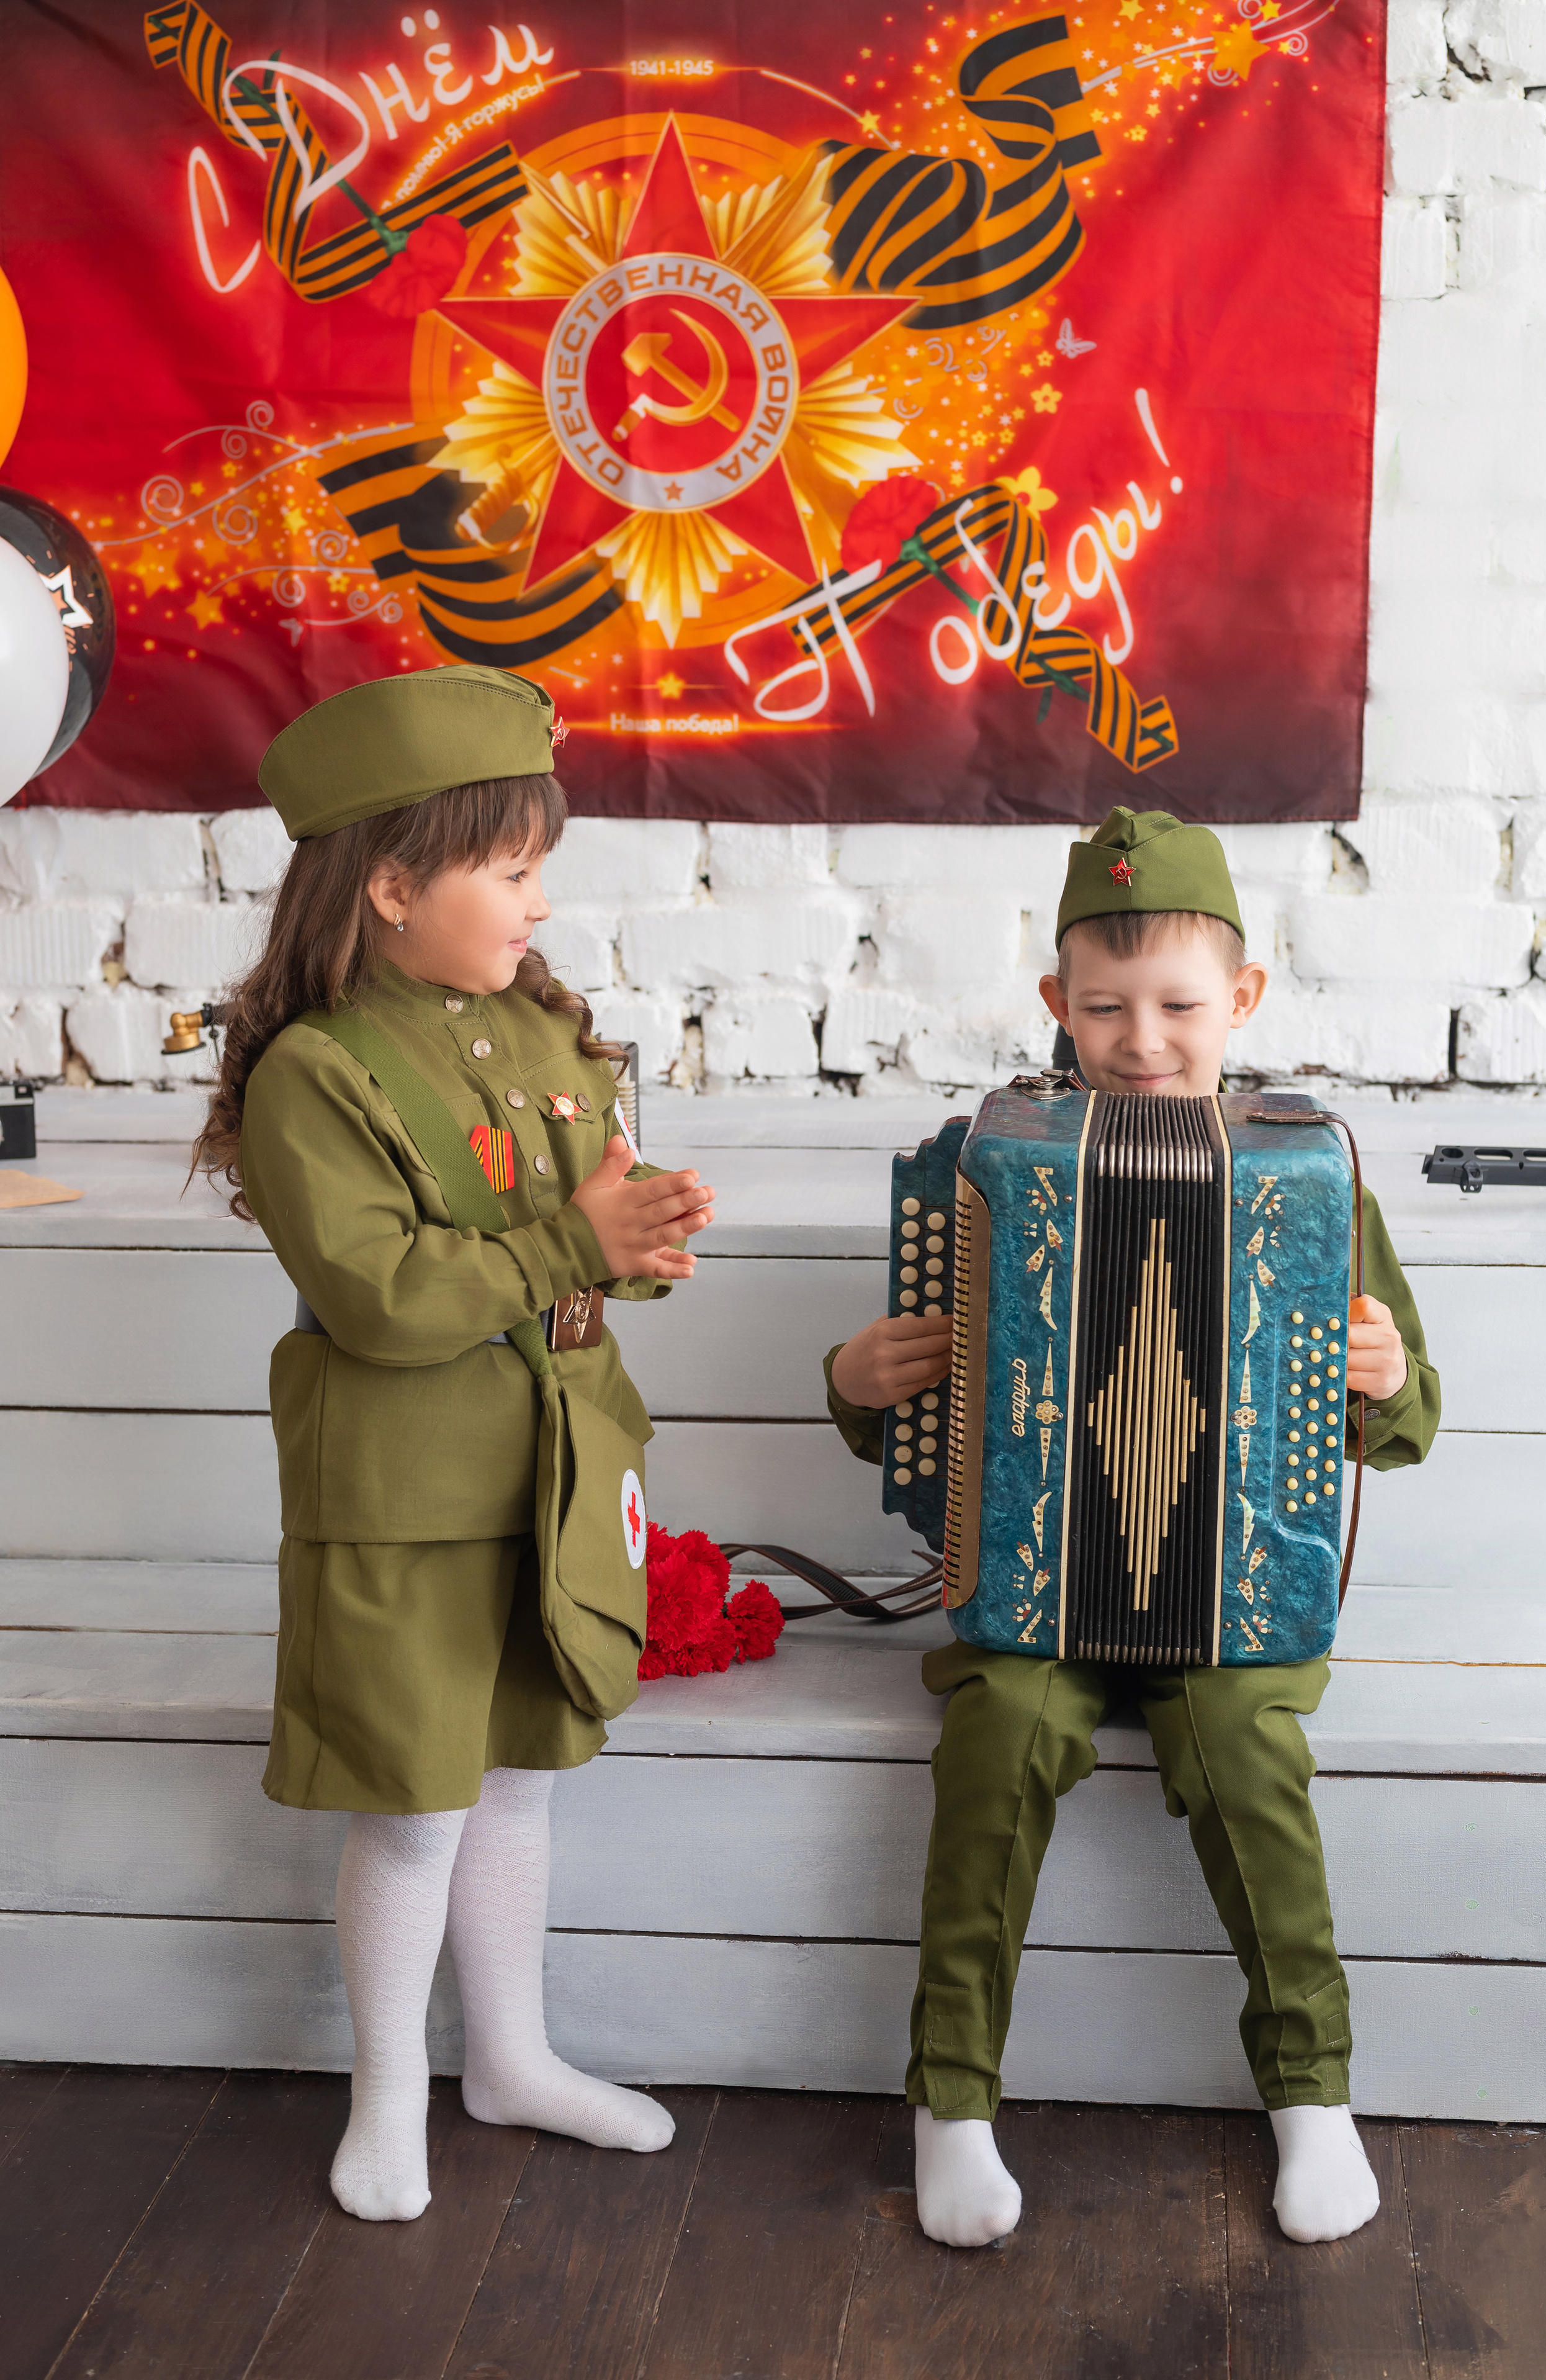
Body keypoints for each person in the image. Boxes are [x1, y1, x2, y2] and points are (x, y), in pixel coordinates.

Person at [824, 806, 1439, 2252]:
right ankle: (954, 2102)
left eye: (1175, 1005)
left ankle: (1309, 2096)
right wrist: (856, 1386)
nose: (1141, 1038)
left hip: (1235, 1598)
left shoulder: (1306, 1177)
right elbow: (921, 1395)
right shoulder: (991, 1164)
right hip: (1030, 1590)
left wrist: (1384, 1379)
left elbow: (1402, 1415)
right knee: (997, 1742)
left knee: (1242, 1752)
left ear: (1243, 1000)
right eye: (1102, 1007)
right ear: (1054, 1005)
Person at [194, 664, 714, 2223]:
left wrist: (639, 1239)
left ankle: (510, 2058)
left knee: (518, 1781)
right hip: (405, 1501)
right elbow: (382, 1298)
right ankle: (386, 2105)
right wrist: (574, 1242)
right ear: (394, 887)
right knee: (414, 1803)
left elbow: (569, 1234)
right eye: (512, 868)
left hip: (549, 1479)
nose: (540, 904)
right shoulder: (319, 1074)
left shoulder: (542, 1034)